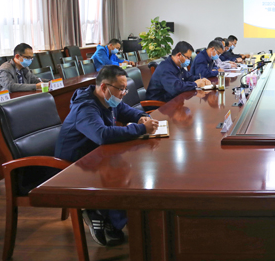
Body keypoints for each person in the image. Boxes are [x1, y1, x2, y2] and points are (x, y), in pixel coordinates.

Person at [55, 65, 159, 247]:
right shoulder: (85, 107)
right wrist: (141, 129)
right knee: (122, 171)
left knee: (129, 165)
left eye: (125, 89)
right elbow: (101, 135)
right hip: (74, 164)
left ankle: (111, 216)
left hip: (97, 154)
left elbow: (126, 111)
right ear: (104, 87)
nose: (123, 93)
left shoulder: (108, 99)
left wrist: (142, 117)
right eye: (121, 89)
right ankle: (101, 213)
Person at [146, 41, 211, 102]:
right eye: (187, 58)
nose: (188, 60)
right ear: (179, 55)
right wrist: (195, 84)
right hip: (159, 104)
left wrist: (202, 79)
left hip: (172, 100)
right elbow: (176, 88)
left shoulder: (177, 66)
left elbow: (189, 77)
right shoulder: (165, 68)